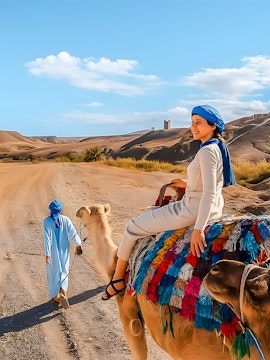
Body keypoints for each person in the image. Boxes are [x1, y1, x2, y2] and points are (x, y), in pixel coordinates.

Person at [102, 104, 236, 300]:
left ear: (213, 126)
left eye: (199, 123)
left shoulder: (206, 151)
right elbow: (212, 184)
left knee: (132, 227)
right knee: (153, 210)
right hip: (210, 206)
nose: (194, 127)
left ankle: (117, 279)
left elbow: (208, 192)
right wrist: (188, 183)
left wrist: (198, 230)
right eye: (192, 122)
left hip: (192, 209)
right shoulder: (215, 146)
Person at [43, 200, 82, 308]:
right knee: (64, 270)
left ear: (50, 210)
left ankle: (56, 295)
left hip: (52, 251)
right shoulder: (65, 219)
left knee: (54, 272)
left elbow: (47, 239)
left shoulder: (46, 221)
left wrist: (47, 254)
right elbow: (73, 232)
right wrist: (78, 244)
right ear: (60, 210)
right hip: (64, 250)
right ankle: (63, 291)